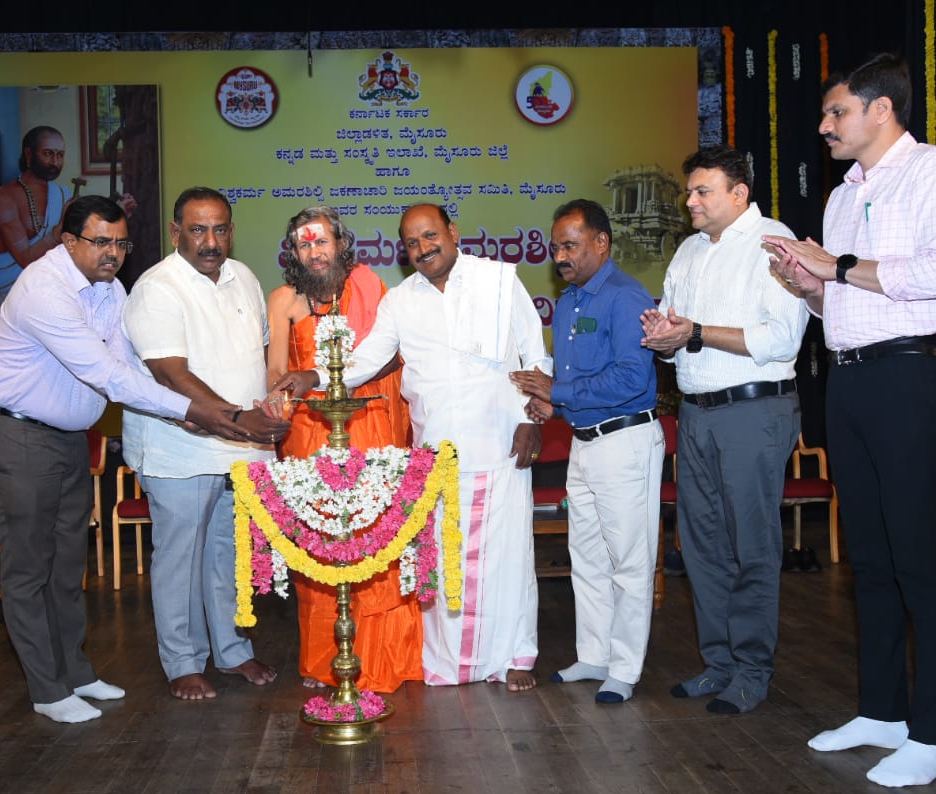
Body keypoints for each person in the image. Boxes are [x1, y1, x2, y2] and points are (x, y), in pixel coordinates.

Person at [763, 53, 936, 787]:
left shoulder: (934, 170)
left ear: (881, 109)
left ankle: (935, 733)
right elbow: (841, 301)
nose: (825, 127)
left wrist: (836, 265)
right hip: (850, 377)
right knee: (870, 558)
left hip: (908, 375)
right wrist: (808, 283)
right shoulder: (841, 195)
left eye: (837, 113)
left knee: (918, 555)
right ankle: (883, 712)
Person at [0, 194, 254, 724]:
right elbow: (109, 376)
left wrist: (184, 416)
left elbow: (128, 367)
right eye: (101, 242)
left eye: (121, 243)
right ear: (67, 241)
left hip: (66, 438)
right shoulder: (44, 291)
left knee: (68, 563)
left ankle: (75, 672)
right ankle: (47, 690)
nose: (113, 254)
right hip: (14, 433)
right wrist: (201, 412)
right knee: (30, 567)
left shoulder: (109, 289)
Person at [275, 203, 550, 692]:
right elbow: (367, 360)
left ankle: (514, 656)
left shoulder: (499, 281)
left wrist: (532, 419)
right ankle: (449, 661)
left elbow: (535, 352)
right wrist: (313, 376)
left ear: (452, 232)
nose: (422, 248)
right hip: (437, 449)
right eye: (411, 242)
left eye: (430, 236)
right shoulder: (400, 301)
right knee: (442, 558)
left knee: (508, 557)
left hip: (502, 441)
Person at [639, 146, 809, 714]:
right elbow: (679, 334)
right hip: (695, 412)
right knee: (703, 545)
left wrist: (695, 332)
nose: (689, 201)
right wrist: (664, 336)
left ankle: (753, 670)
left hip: (753, 411)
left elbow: (780, 340)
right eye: (689, 191)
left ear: (739, 194)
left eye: (702, 191)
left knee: (751, 545)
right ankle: (719, 664)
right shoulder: (688, 250)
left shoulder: (775, 243)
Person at [122, 187, 289, 701]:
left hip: (240, 448)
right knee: (182, 559)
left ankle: (232, 651)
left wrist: (267, 410)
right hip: (180, 450)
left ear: (231, 232)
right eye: (197, 230)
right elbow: (170, 374)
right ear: (177, 233)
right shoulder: (158, 287)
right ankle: (182, 661)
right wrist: (238, 418)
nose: (210, 241)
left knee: (230, 555)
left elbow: (258, 356)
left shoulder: (245, 278)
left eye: (219, 229)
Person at [511, 199, 664, 705]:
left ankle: (625, 668)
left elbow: (631, 377)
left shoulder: (625, 296)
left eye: (570, 246)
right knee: (588, 557)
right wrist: (550, 403)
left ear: (602, 242)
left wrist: (556, 392)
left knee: (629, 562)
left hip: (625, 442)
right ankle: (594, 655)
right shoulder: (571, 302)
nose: (560, 256)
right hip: (584, 442)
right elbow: (578, 379)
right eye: (556, 247)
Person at [266, 206, 419, 693]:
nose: (314, 251)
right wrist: (276, 402)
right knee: (322, 547)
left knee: (376, 540)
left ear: (341, 244)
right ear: (294, 252)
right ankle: (324, 662)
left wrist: (351, 383)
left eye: (322, 241)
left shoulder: (372, 289)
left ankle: (384, 657)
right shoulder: (284, 299)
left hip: (369, 426)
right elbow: (276, 371)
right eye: (304, 244)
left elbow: (392, 356)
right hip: (309, 435)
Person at [0, 127, 71, 320]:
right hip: (7, 291)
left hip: (45, 290)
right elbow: (25, 260)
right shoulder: (3, 198)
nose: (55, 162)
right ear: (29, 154)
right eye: (48, 153)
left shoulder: (62, 194)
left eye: (59, 155)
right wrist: (59, 232)